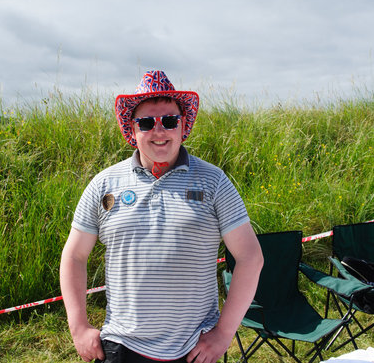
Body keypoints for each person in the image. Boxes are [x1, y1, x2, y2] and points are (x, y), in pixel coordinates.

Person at [60, 70, 263, 363]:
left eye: (169, 121)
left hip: (194, 348)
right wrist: (78, 327)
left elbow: (250, 257)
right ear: (132, 129)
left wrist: (223, 333)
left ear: (183, 126)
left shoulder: (214, 181)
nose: (159, 131)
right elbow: (74, 256)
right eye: (146, 123)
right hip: (121, 345)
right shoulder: (103, 184)